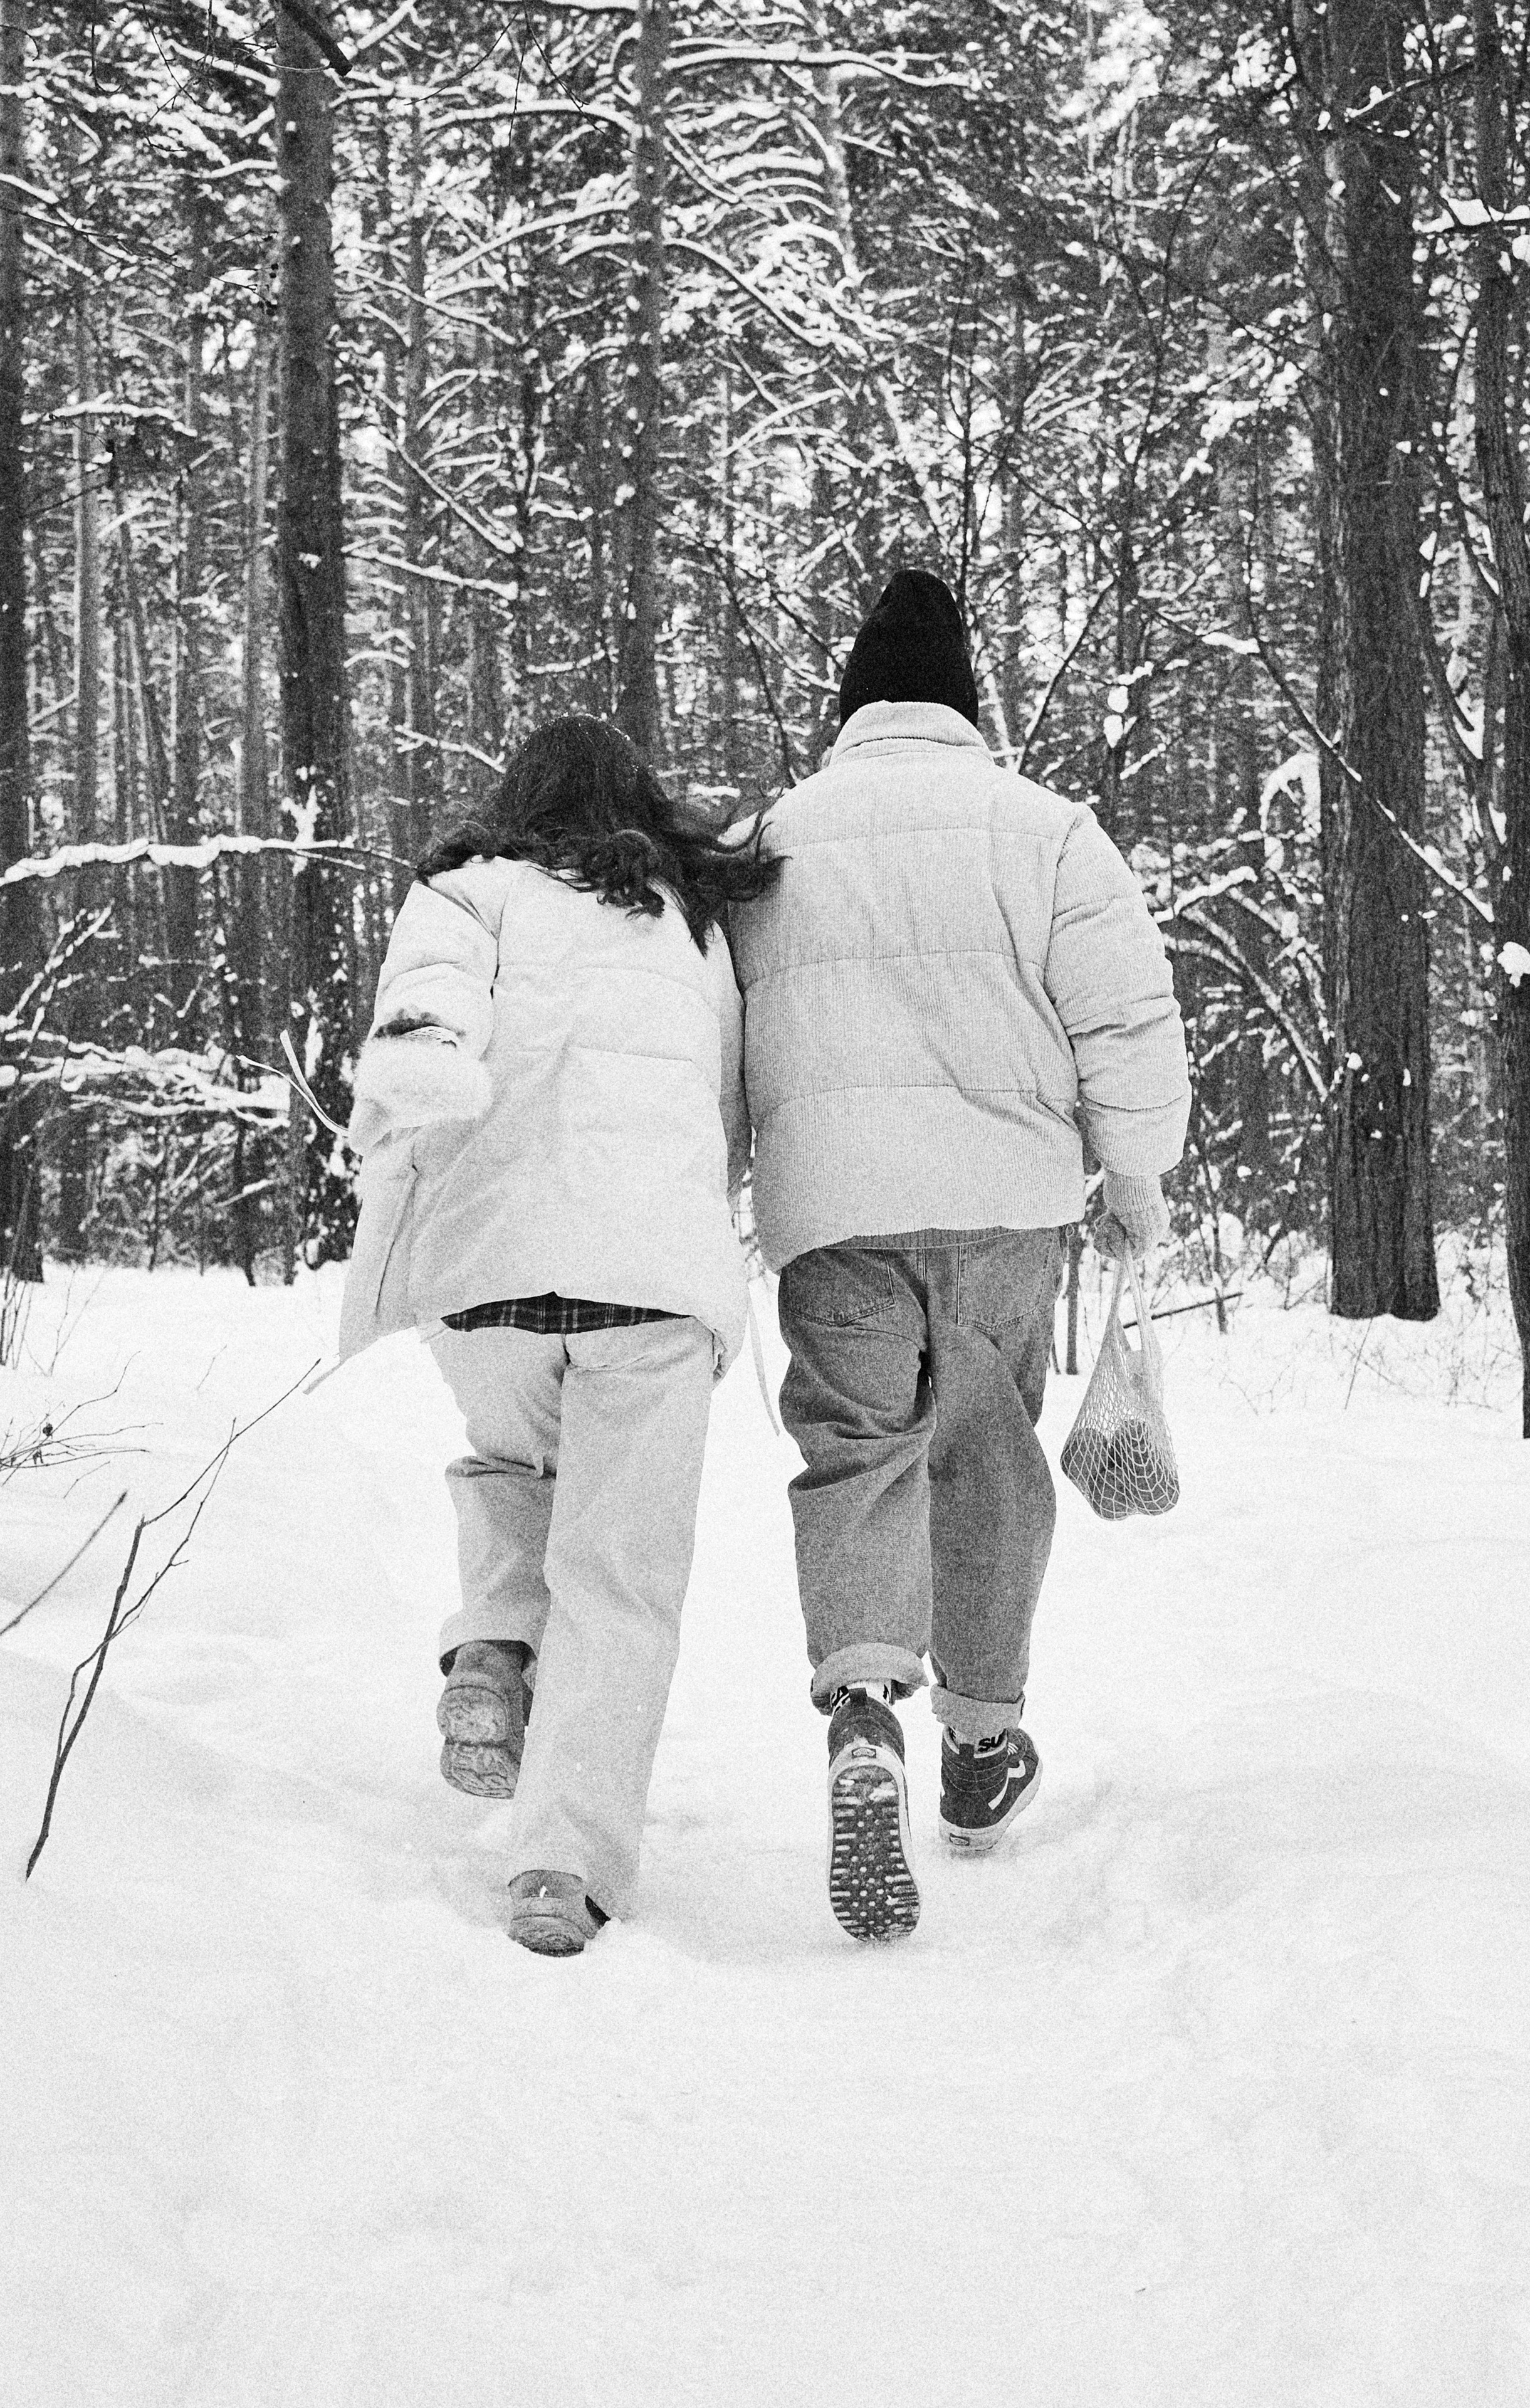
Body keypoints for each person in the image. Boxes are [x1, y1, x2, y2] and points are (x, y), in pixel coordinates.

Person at [727, 569, 1191, 1943]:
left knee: (855, 1449)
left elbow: (708, 1024)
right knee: (985, 1448)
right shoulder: (1044, 832)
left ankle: (864, 1708)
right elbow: (1126, 1022)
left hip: (835, 1216)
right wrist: (1134, 1177)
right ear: (964, 702)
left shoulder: (770, 840)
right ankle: (981, 1746)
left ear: (852, 704)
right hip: (1003, 1204)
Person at [339, 717, 775, 1957]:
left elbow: (421, 1012)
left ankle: (489, 1647)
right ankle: (558, 1872)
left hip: (488, 1276)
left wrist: (421, 1077)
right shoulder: (693, 929)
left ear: (516, 802)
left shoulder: (467, 891)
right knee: (618, 1586)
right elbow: (731, 1112)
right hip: (649, 1281)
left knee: (510, 1461)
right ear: (638, 804)